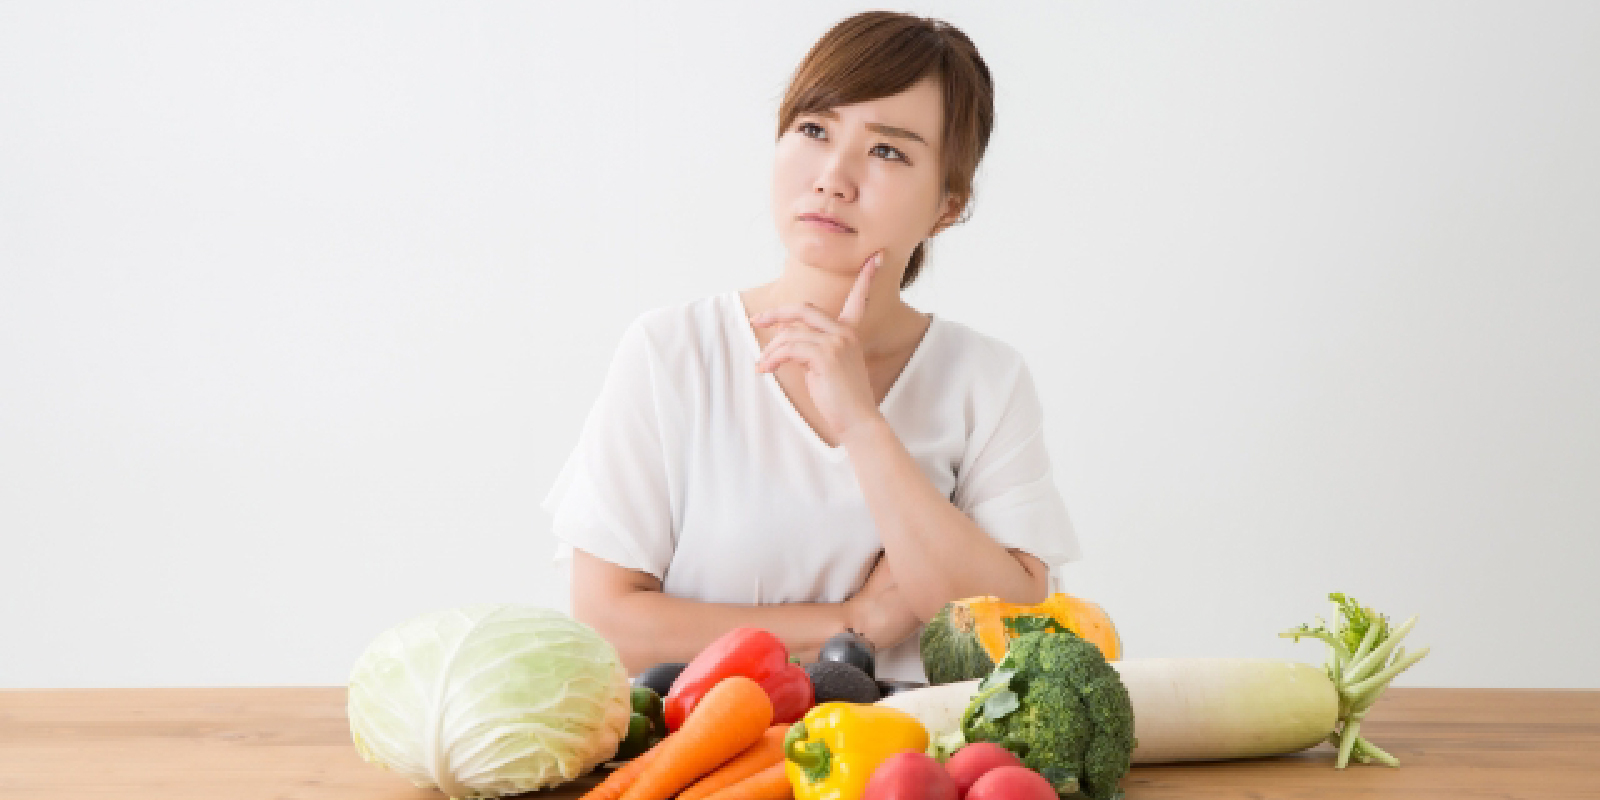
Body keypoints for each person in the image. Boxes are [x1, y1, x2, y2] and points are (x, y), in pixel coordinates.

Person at [541, 11, 1080, 683]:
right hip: (711, 770)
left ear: (949, 204)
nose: (833, 176)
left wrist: (862, 424)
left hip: (912, 770)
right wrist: (852, 624)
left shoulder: (984, 379)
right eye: (814, 130)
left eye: (888, 150)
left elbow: (1021, 630)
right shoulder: (673, 352)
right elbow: (609, 627)